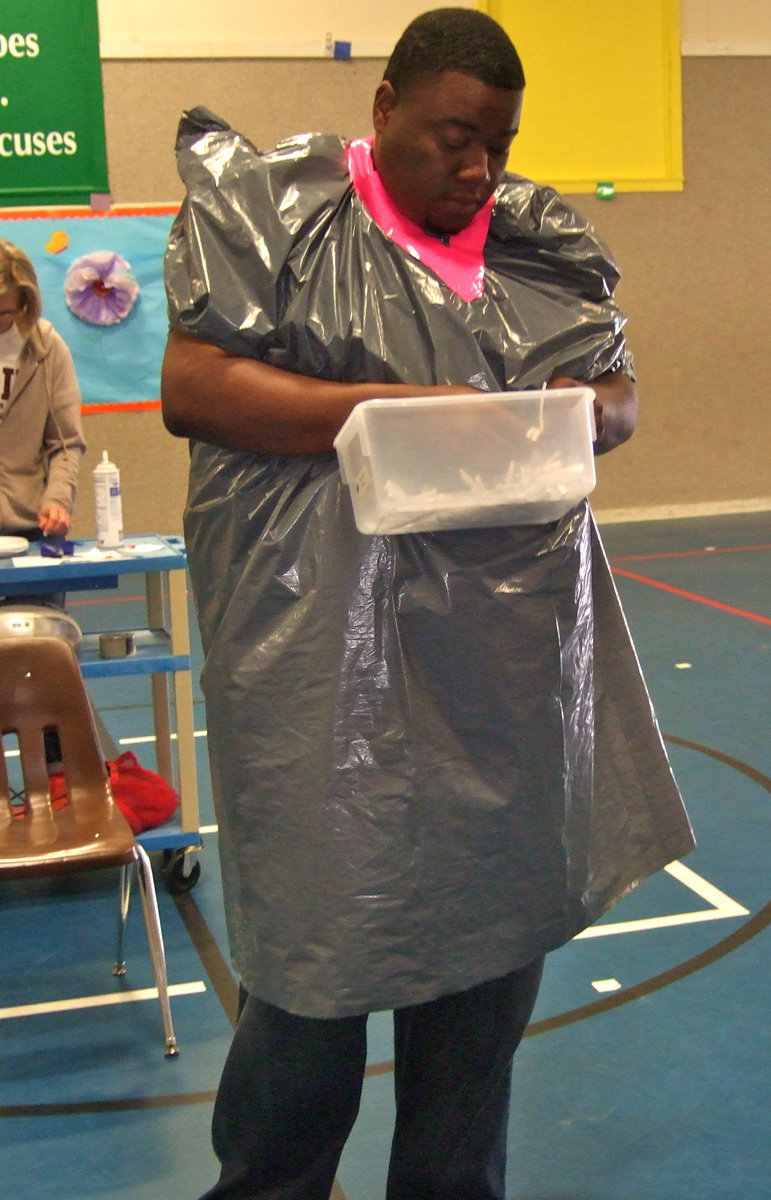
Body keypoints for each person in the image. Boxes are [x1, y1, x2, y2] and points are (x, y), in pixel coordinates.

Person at [161, 9, 694, 1199]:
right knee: (310, 989)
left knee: (481, 993)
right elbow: (196, 387)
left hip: (499, 671)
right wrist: (411, 415)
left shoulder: (532, 242)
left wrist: (593, 417)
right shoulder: (282, 214)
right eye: (454, 136)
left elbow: (616, 392)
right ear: (386, 106)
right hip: (320, 666)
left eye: (498, 143)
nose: (478, 168)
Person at [0, 238, 86, 607]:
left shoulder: (47, 349)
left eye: (4, 313)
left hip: (30, 533)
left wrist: (56, 500)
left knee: (38, 652)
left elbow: (65, 444)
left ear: (24, 304)